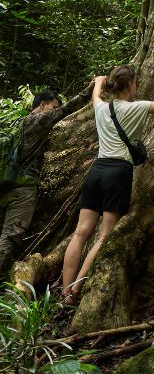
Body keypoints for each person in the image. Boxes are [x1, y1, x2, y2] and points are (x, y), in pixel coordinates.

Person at [60, 65, 154, 305]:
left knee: (81, 233)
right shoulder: (137, 108)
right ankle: (74, 291)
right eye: (135, 82)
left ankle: (63, 291)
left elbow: (96, 93)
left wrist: (100, 81)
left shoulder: (101, 108)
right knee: (104, 235)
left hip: (97, 171)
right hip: (117, 173)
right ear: (131, 83)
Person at [0, 84, 95, 276]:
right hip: (22, 190)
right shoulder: (38, 121)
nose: (53, 110)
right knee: (9, 237)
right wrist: (88, 91)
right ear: (42, 105)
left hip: (4, 185)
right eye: (52, 106)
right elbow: (65, 110)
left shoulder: (17, 123)